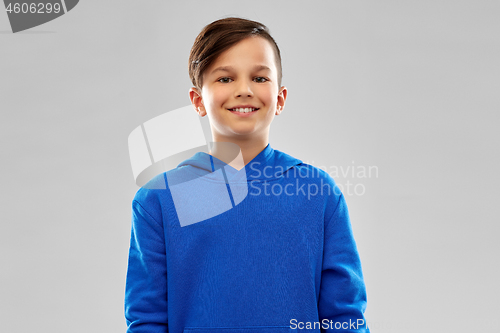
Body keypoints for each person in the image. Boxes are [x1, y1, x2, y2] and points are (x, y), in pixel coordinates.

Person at [125, 17, 370, 332]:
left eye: (259, 78)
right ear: (198, 100)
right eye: (225, 79)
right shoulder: (158, 200)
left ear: (280, 99)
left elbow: (344, 319)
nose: (243, 90)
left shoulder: (318, 192)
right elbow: (147, 319)